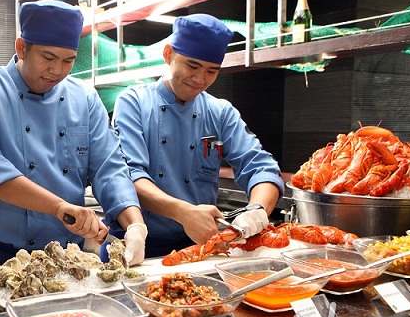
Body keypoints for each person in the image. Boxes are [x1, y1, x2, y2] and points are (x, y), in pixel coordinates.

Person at [0, 0, 147, 266]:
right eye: (48, 58)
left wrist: (135, 224)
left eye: (68, 60)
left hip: (67, 253)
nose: (58, 71)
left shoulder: (85, 99)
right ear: (21, 48)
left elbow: (109, 168)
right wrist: (58, 207)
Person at [112, 14, 284, 257]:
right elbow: (129, 176)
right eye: (192, 66)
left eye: (212, 71)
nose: (200, 79)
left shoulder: (220, 112)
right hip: (141, 245)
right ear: (168, 54)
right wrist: (183, 212)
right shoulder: (134, 102)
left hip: (201, 246)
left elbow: (260, 166)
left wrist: (258, 210)